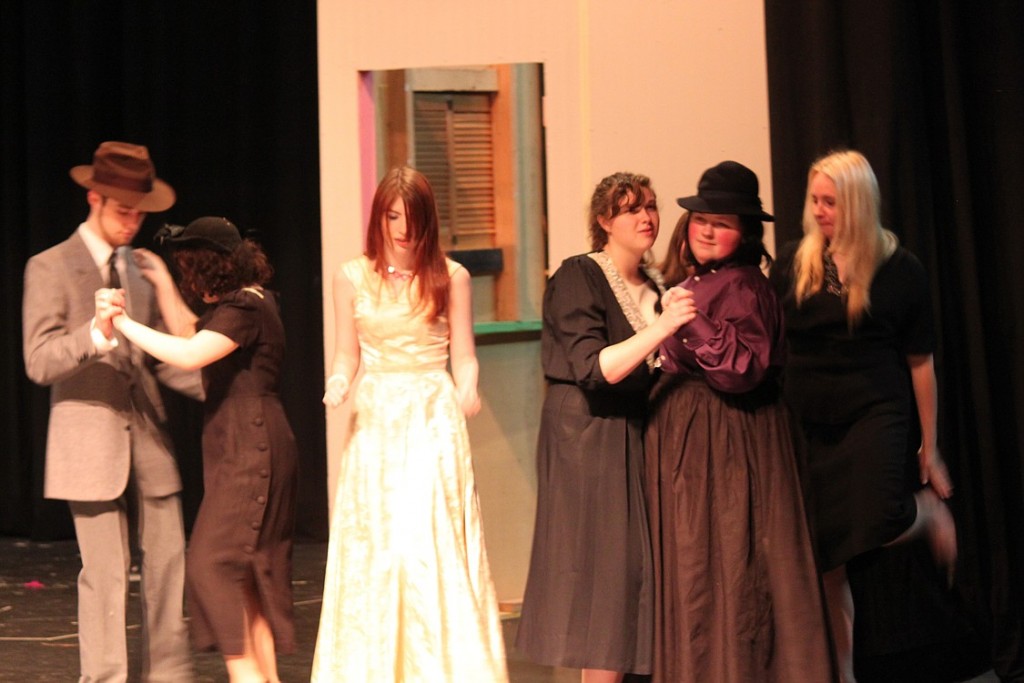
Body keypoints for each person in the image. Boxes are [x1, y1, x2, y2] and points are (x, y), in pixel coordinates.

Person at [311, 166, 507, 682]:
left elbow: (463, 354)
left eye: (411, 218)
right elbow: (345, 354)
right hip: (376, 416)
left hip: (429, 414)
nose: (401, 228)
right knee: (377, 542)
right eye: (392, 216)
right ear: (379, 217)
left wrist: (467, 384)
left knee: (427, 538)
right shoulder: (350, 276)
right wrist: (337, 381)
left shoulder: (451, 275)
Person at [768, 150, 956, 683]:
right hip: (807, 421)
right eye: (815, 201)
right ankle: (843, 675)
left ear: (857, 204)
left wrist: (930, 446)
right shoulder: (794, 263)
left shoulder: (899, 269)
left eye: (832, 202)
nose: (821, 211)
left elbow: (921, 365)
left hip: (873, 410)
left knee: (878, 518)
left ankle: (926, 516)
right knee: (828, 558)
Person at [644, 161, 835, 682]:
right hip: (699, 439)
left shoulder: (744, 286)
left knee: (729, 565)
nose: (707, 229)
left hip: (727, 439)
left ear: (746, 233)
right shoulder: (703, 280)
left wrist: (691, 319)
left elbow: (742, 370)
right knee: (704, 567)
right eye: (701, 218)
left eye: (722, 222)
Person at [22, 141, 199, 682]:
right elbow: (38, 359)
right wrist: (94, 335)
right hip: (87, 438)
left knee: (169, 564)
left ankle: (166, 674)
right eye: (123, 210)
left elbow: (162, 358)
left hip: (148, 433)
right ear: (93, 198)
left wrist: (220, 379)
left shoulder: (143, 269)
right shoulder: (50, 266)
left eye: (141, 211)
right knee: (104, 572)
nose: (133, 221)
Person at [96, 216, 299, 683]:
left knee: (212, 565)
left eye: (189, 270)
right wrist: (163, 284)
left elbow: (188, 355)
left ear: (209, 269)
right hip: (246, 439)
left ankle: (247, 677)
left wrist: (122, 322)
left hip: (253, 444)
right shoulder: (249, 303)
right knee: (248, 574)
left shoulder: (246, 308)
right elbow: (193, 332)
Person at [516, 172, 694, 683]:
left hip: (634, 431)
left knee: (628, 584)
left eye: (651, 207)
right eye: (630, 208)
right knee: (604, 583)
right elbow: (597, 367)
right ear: (603, 221)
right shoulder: (581, 276)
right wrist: (663, 328)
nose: (646, 217)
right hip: (588, 436)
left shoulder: (657, 285)